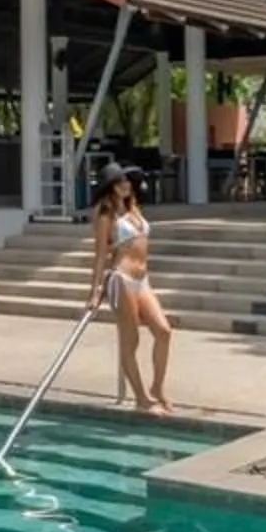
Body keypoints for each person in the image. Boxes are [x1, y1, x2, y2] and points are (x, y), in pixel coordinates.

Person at [89, 165, 174, 414]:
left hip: (142, 279)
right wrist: (94, 292)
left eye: (127, 181)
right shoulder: (106, 216)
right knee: (131, 341)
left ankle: (157, 388)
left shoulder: (133, 208)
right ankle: (141, 398)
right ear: (110, 188)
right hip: (121, 278)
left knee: (163, 331)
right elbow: (100, 255)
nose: (125, 186)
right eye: (119, 183)